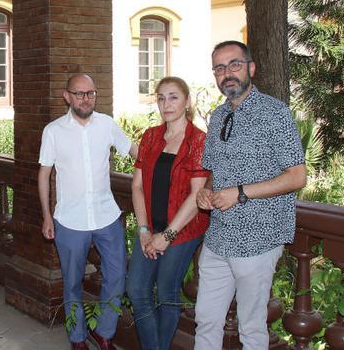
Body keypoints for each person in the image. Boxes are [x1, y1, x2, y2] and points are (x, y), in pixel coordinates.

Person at [194, 41, 307, 350]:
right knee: (205, 319)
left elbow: (297, 176)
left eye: (234, 65)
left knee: (251, 328)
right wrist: (207, 191)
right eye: (219, 68)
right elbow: (214, 171)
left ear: (251, 68)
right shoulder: (217, 117)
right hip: (218, 235)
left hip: (258, 237)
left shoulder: (275, 113)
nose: (226, 73)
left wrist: (240, 193)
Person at [38, 74, 139, 350]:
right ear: (67, 96)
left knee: (117, 276)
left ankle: (103, 331)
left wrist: (165, 163)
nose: (86, 99)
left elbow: (134, 151)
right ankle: (77, 337)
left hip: (107, 216)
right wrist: (47, 215)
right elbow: (44, 174)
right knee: (72, 284)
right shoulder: (53, 131)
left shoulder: (106, 124)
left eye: (91, 93)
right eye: (80, 93)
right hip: (69, 220)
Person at [126, 76, 210, 350]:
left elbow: (195, 196)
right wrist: (144, 230)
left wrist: (167, 235)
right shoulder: (150, 136)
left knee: (166, 293)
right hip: (149, 227)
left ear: (187, 102)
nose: (166, 103)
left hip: (183, 230)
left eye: (173, 97)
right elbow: (137, 186)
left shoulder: (198, 140)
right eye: (161, 97)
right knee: (137, 290)